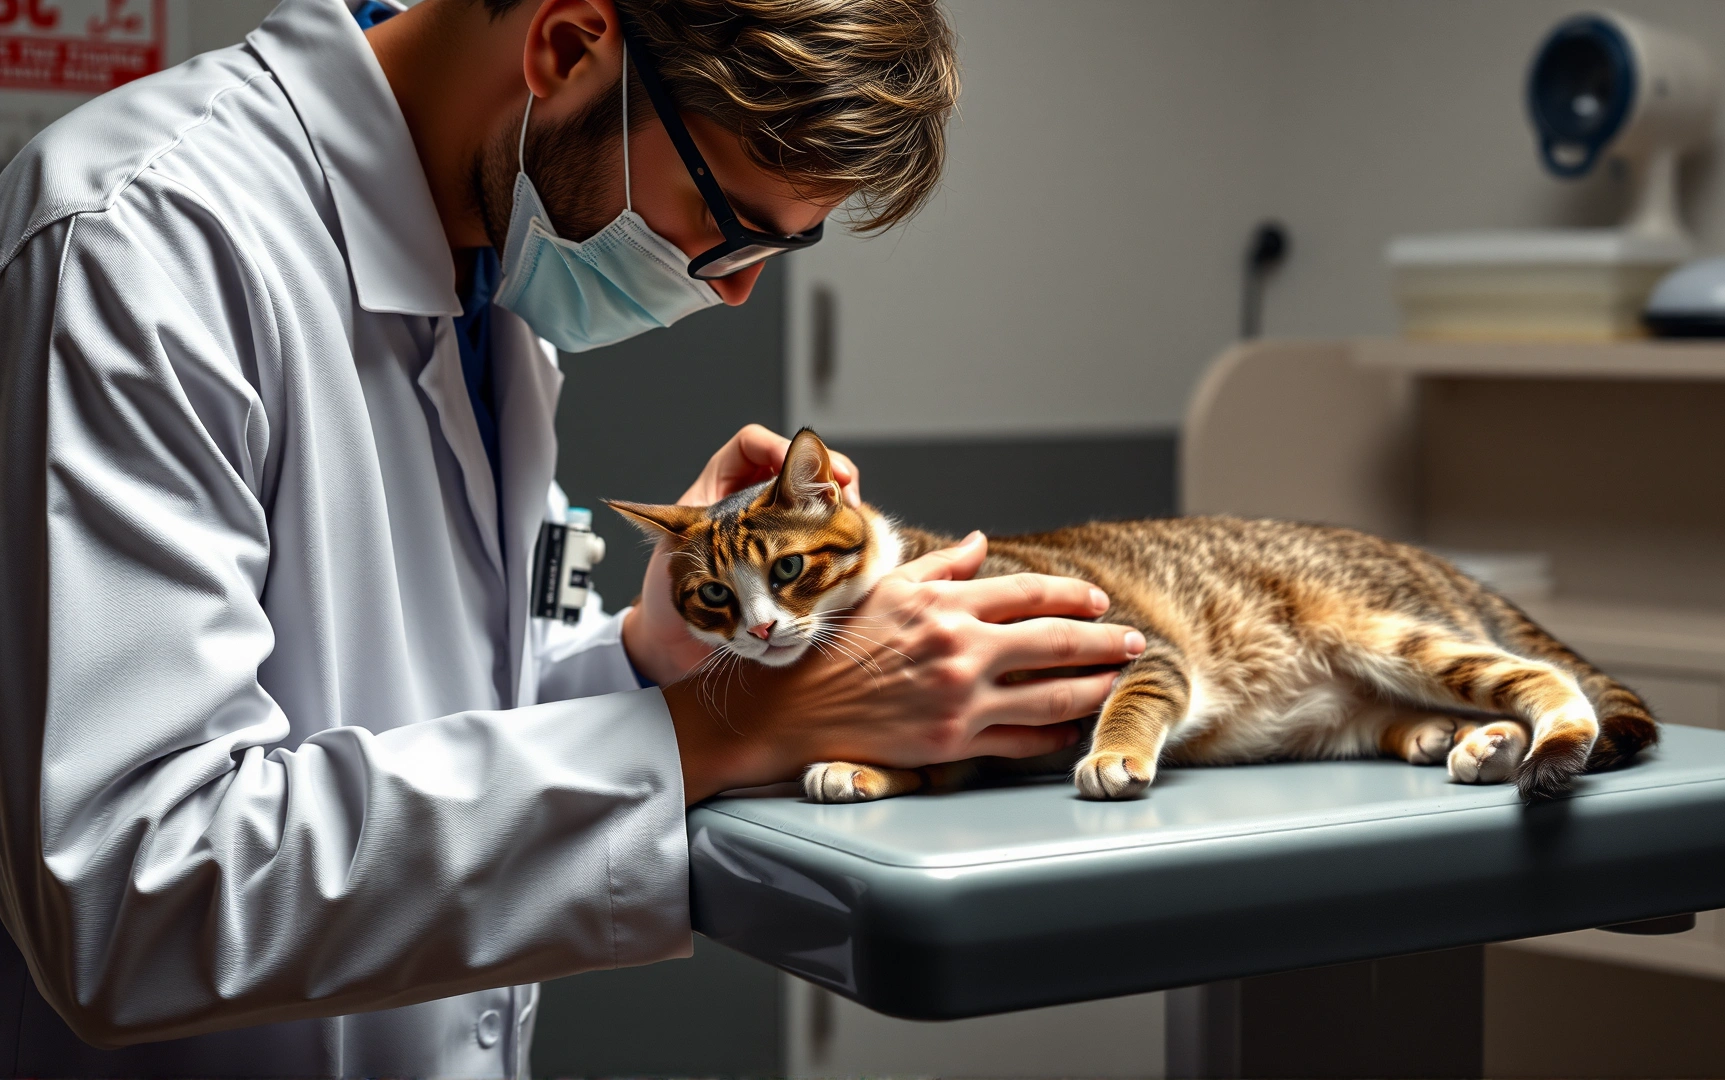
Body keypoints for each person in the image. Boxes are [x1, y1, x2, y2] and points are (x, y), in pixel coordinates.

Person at [0, 0, 1143, 1072]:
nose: (738, 292)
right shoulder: (142, 244)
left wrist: (648, 657)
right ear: (568, 46)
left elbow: (418, 707)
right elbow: (137, 896)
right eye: (733, 227)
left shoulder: (495, 263)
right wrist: (716, 733)